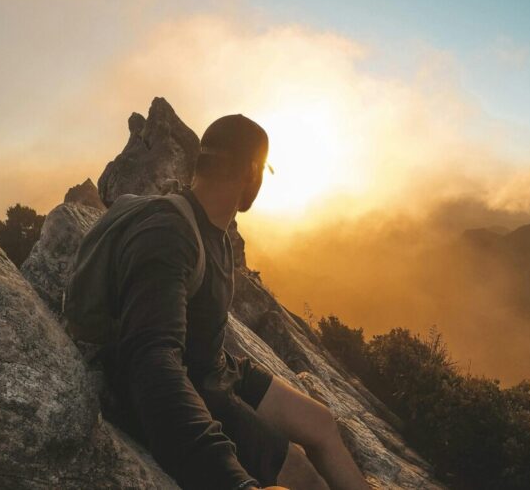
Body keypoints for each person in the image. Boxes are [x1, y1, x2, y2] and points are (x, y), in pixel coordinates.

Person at [101, 114, 370, 490]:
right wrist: (231, 480)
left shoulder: (212, 229)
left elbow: (199, 327)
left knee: (320, 424)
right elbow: (152, 361)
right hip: (185, 385)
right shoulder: (168, 234)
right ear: (253, 173)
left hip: (213, 368)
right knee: (302, 474)